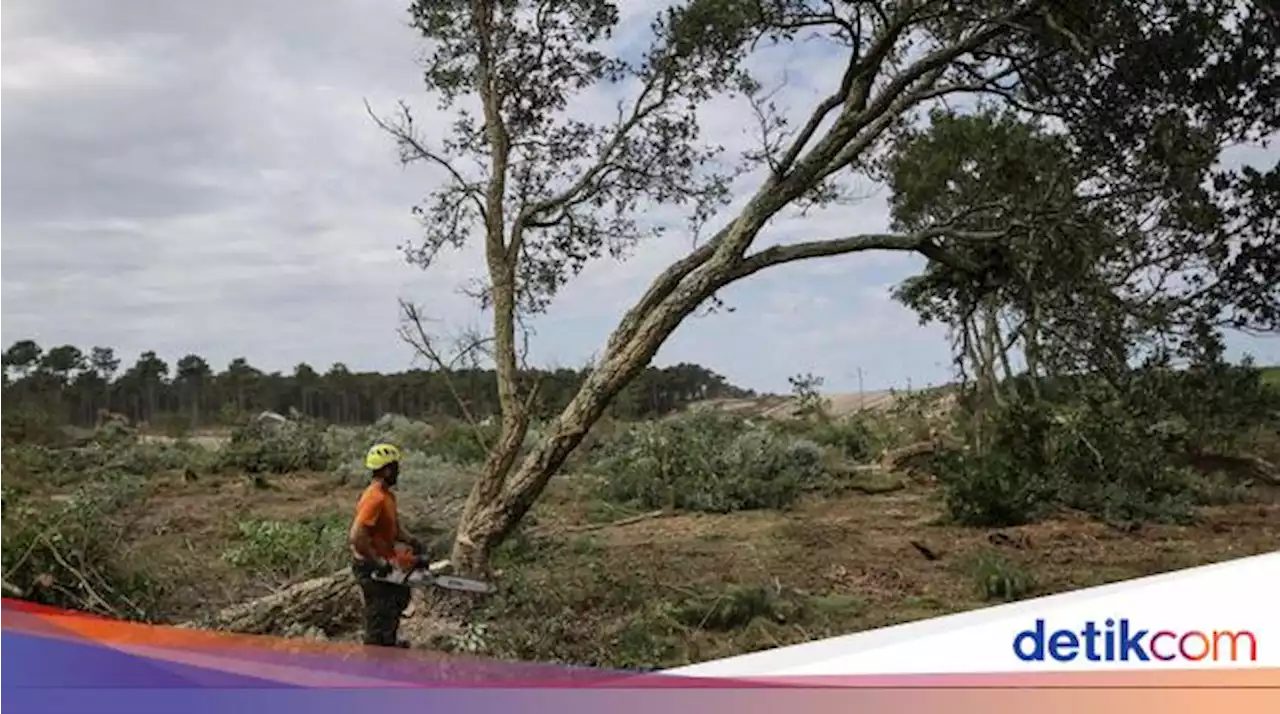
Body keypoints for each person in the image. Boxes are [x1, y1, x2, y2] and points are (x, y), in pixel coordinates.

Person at [349, 442, 425, 648]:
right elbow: (357, 535)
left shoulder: (387, 496)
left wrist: (412, 541)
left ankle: (388, 643)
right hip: (371, 565)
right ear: (387, 469)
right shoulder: (374, 498)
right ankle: (376, 655)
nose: (398, 472)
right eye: (395, 468)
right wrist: (376, 561)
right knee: (379, 613)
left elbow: (395, 529)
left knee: (397, 599)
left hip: (384, 559)